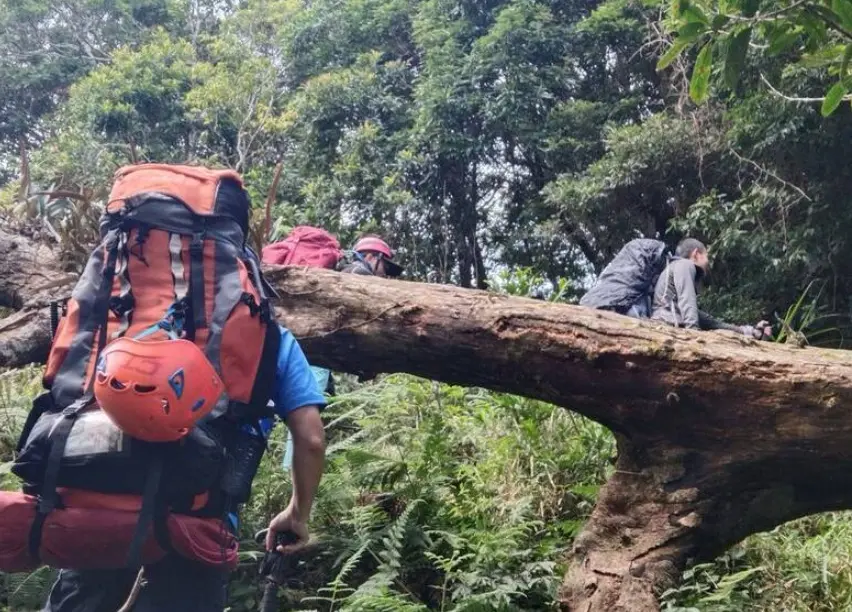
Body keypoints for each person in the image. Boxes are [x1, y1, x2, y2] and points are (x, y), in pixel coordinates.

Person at [42, 326, 326, 612]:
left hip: (96, 514)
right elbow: (311, 439)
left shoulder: (121, 314)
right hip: (199, 527)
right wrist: (297, 512)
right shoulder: (268, 335)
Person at [651, 238, 771, 338]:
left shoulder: (675, 270)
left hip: (668, 324)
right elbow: (687, 300)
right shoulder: (684, 265)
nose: (708, 262)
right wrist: (693, 334)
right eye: (706, 256)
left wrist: (748, 331)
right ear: (696, 254)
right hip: (667, 325)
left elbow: (710, 321)